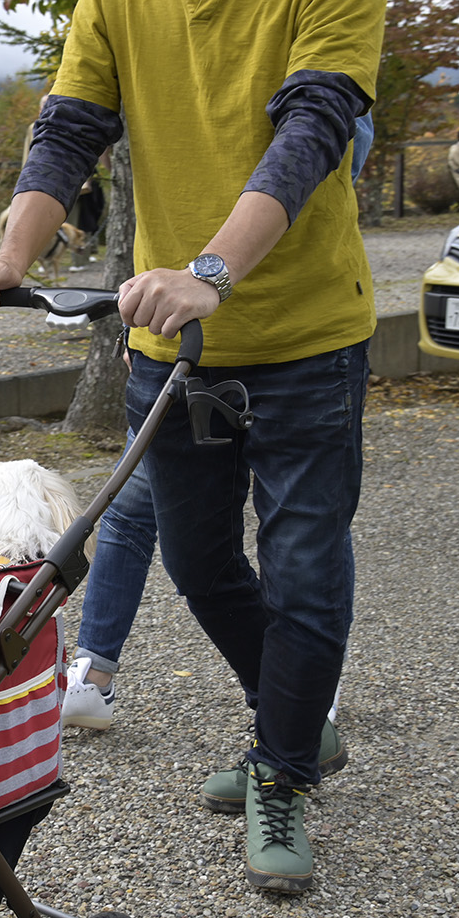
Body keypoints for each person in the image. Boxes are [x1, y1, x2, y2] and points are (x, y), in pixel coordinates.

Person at [0, 0, 385, 893]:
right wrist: (13, 252)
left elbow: (315, 125)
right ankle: (297, 721)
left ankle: (281, 770)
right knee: (194, 558)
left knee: (304, 564)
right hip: (171, 343)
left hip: (305, 330)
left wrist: (213, 272)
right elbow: (72, 126)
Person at [64, 111, 376, 734]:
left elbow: (316, 173)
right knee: (146, 522)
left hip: (295, 339)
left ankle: (300, 699)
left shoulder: (325, 85)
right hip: (174, 342)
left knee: (301, 541)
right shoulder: (157, 52)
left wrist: (207, 275)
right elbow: (158, 196)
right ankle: (98, 670)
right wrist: (145, 314)